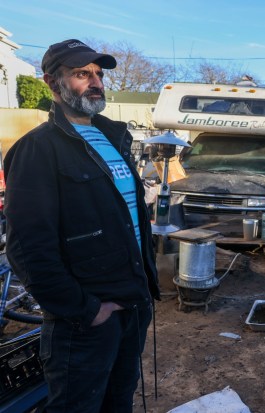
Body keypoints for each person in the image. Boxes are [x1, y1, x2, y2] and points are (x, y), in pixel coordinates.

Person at [4, 39, 160, 412]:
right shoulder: (37, 150)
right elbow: (28, 248)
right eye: (80, 74)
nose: (95, 82)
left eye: (98, 74)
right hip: (86, 321)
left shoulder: (114, 139)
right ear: (51, 83)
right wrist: (86, 309)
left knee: (118, 402)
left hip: (132, 306)